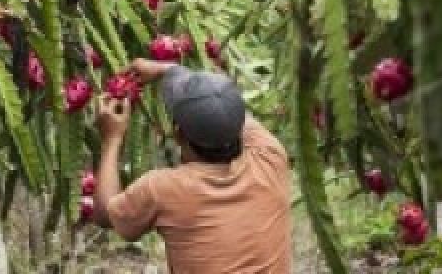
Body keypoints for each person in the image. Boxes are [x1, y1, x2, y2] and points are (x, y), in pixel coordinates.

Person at [91, 58, 292, 273]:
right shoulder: (271, 155)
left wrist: (112, 139)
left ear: (177, 134)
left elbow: (105, 214)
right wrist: (169, 70)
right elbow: (223, 111)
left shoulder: (164, 189)